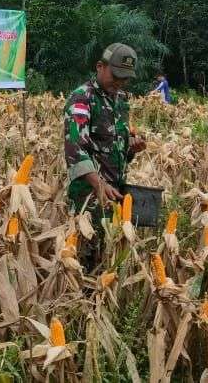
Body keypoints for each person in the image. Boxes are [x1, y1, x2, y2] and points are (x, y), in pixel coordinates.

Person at [64, 43, 147, 272]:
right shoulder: (82, 99)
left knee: (110, 258)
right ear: (100, 67)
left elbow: (117, 148)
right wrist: (99, 184)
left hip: (115, 192)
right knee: (87, 259)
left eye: (125, 78)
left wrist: (132, 149)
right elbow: (75, 147)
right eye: (115, 76)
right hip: (89, 197)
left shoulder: (121, 101)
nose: (119, 82)